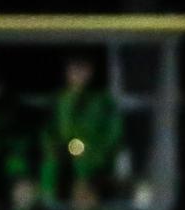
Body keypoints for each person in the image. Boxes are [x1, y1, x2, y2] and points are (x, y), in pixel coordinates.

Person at [41, 54, 124, 199]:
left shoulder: (102, 101)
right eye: (73, 69)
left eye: (82, 69)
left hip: (94, 166)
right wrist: (56, 150)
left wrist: (93, 153)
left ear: (90, 71)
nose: (78, 74)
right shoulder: (59, 100)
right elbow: (49, 132)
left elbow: (113, 135)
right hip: (65, 165)